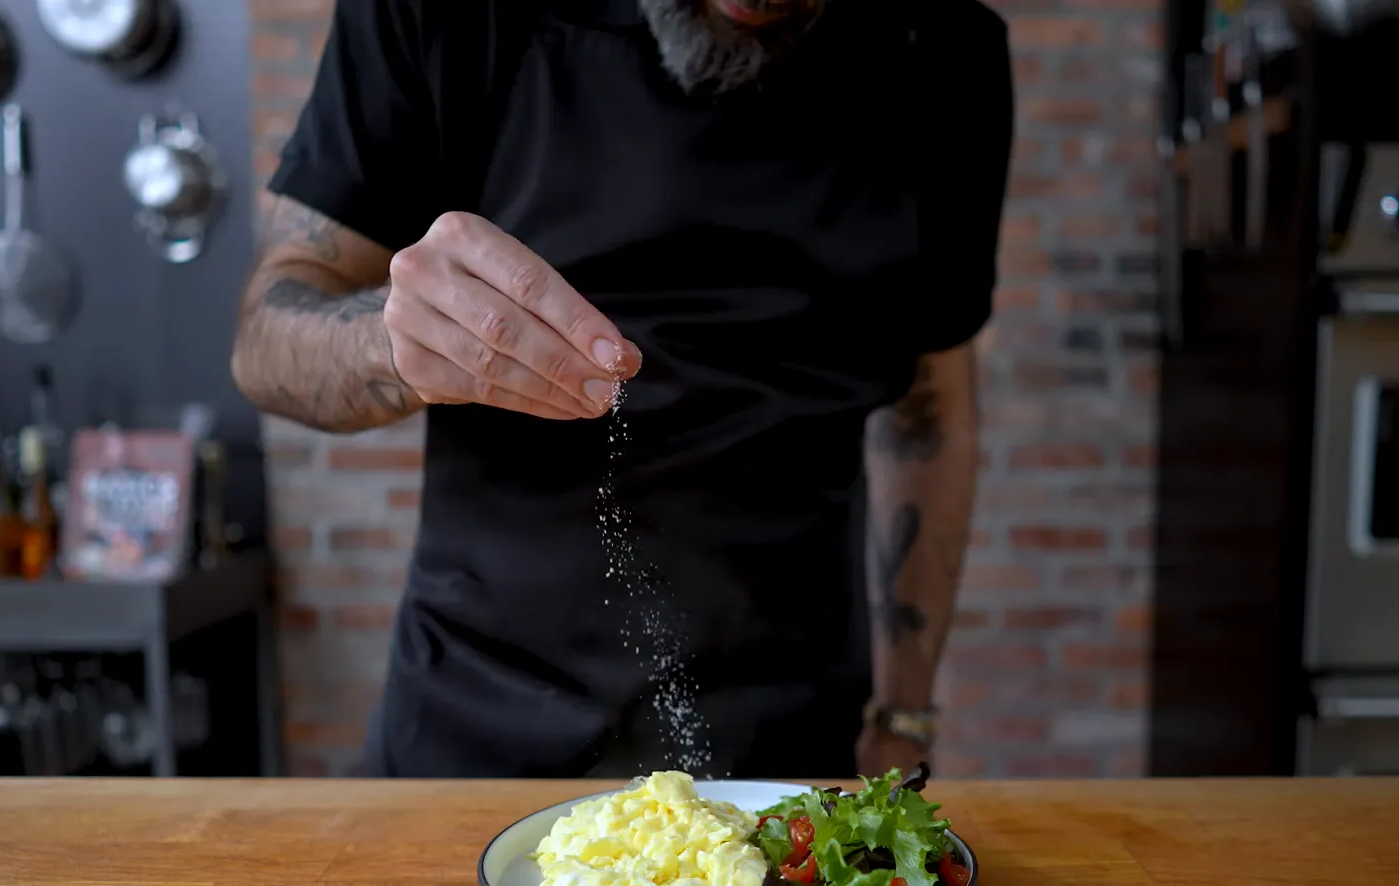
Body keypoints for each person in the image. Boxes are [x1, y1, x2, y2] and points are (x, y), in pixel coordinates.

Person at [231, 0, 1013, 779]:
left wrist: (903, 715)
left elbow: (929, 411)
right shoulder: (438, 16)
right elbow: (264, 340)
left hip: (792, 741)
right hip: (474, 730)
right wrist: (392, 339)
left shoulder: (943, 54)